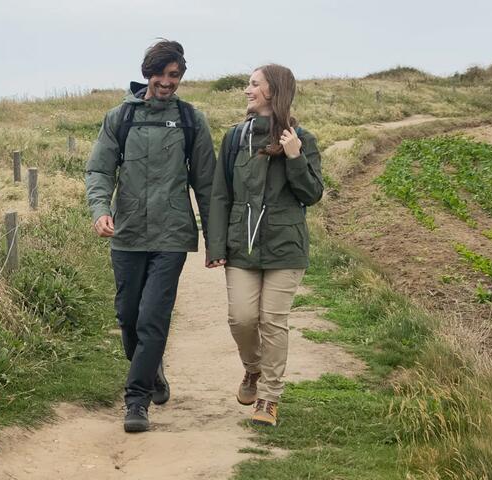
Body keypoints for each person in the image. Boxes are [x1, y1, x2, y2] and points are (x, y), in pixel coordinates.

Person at [84, 39, 217, 433]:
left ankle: (137, 401)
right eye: (160, 74)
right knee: (128, 316)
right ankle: (152, 370)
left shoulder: (192, 120)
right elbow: (99, 171)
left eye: (174, 75)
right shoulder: (120, 118)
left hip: (172, 235)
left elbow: (207, 184)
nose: (166, 82)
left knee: (153, 319)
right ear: (148, 74)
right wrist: (100, 210)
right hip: (126, 234)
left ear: (180, 77)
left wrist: (215, 240)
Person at [204, 64, 323, 427]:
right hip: (242, 244)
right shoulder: (234, 138)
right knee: (240, 318)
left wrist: (294, 157)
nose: (247, 90)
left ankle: (269, 398)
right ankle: (252, 371)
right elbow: (220, 195)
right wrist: (216, 245)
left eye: (254, 84)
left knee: (273, 322)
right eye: (248, 84)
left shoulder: (302, 138)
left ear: (273, 91)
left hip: (285, 247)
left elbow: (311, 194)